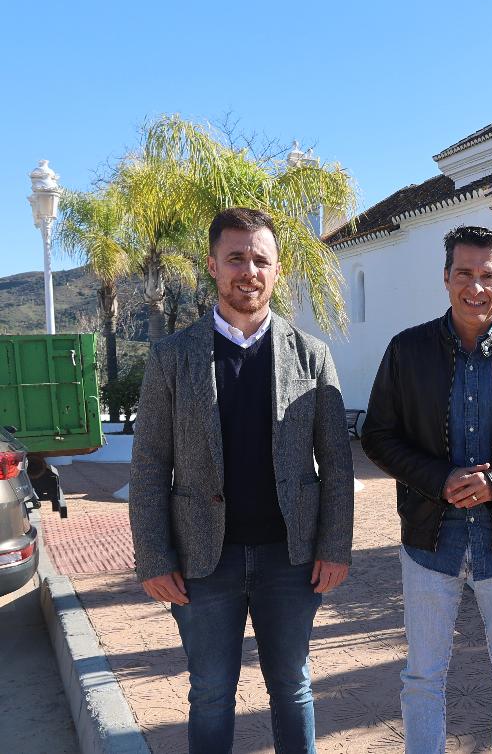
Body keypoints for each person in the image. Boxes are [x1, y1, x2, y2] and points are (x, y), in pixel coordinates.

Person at [129, 207, 355, 754]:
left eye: (260, 260)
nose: (248, 271)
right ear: (213, 265)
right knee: (209, 692)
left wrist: (334, 546)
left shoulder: (312, 356)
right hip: (204, 561)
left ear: (277, 271)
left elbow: (337, 463)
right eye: (236, 258)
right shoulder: (171, 357)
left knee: (293, 686)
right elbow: (151, 464)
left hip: (292, 558)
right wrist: (154, 557)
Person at [360, 225, 492, 754]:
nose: (475, 287)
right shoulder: (406, 350)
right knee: (423, 677)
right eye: (464, 274)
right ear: (446, 278)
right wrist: (439, 480)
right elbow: (378, 434)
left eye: (488, 276)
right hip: (431, 541)